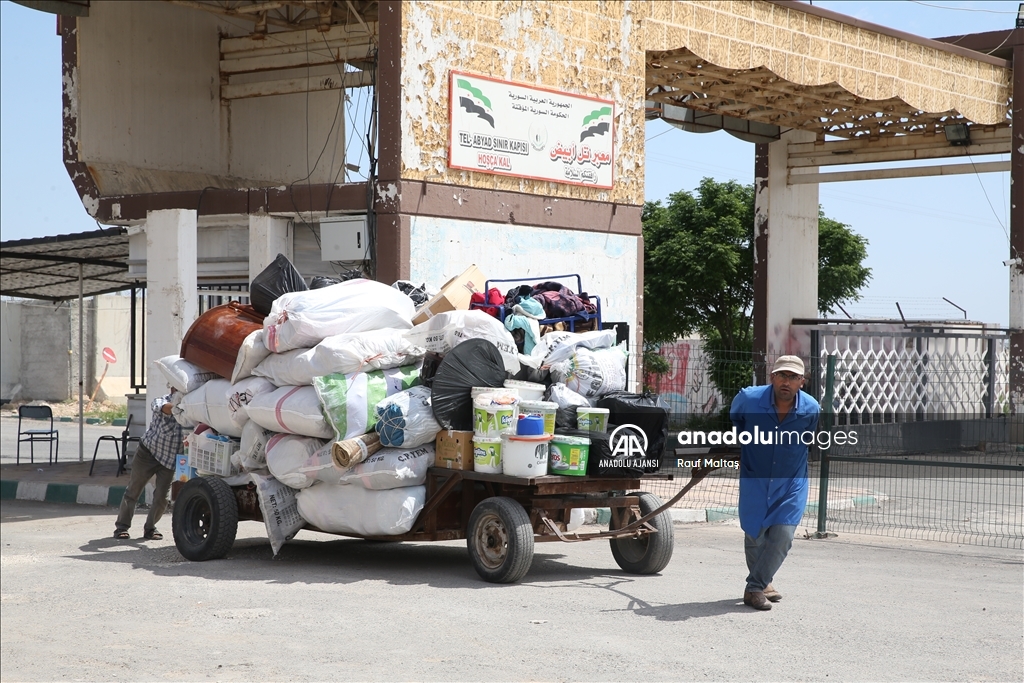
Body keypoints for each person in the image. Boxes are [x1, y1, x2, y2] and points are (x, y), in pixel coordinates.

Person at [729, 355, 820, 611]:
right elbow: (736, 419)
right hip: (755, 477)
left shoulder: (811, 408)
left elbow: (808, 435)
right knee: (755, 533)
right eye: (782, 375)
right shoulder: (749, 399)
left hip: (791, 481)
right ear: (772, 377)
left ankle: (754, 587)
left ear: (802, 382)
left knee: (782, 534)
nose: (786, 382)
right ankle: (764, 582)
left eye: (793, 377)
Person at [113, 388, 183, 541]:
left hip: (169, 460)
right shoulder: (161, 401)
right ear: (173, 389)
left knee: (162, 498)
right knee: (133, 490)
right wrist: (185, 406)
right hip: (148, 453)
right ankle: (122, 527)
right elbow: (167, 409)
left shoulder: (194, 408)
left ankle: (150, 528)